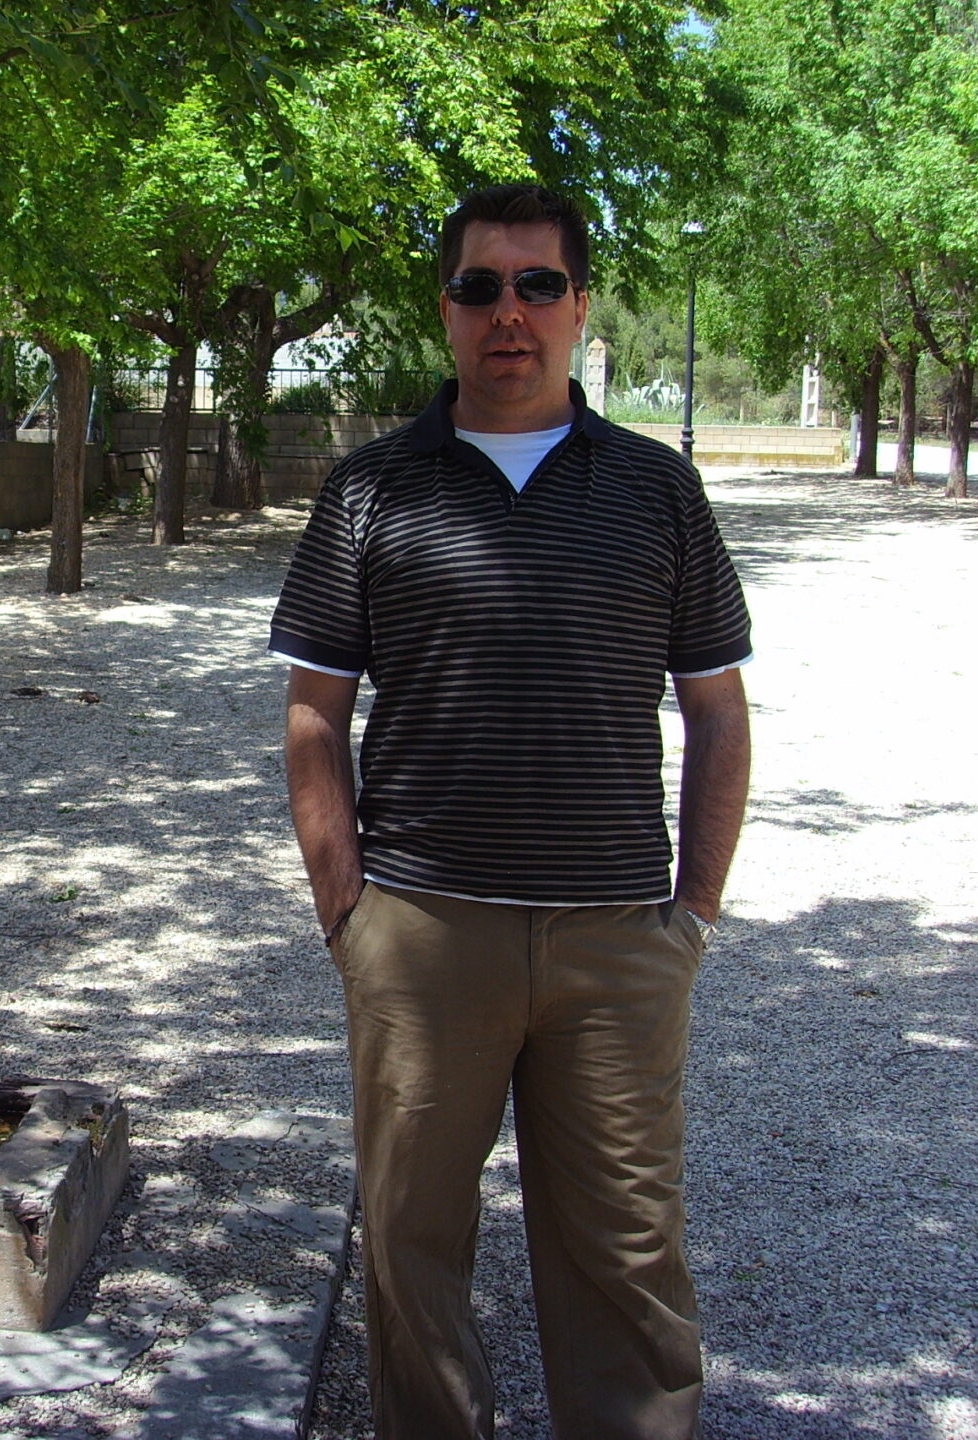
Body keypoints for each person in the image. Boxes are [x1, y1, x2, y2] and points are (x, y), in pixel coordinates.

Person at [271, 183, 752, 1440]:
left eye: (539, 285)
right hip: (423, 935)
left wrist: (693, 917)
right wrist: (348, 915)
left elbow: (718, 712)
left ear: (580, 306)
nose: (510, 313)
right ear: (445, 308)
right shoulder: (371, 489)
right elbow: (314, 714)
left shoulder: (659, 489)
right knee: (411, 1249)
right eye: (481, 286)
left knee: (627, 1256)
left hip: (617, 940)